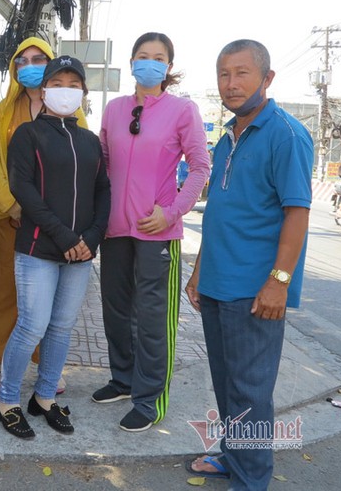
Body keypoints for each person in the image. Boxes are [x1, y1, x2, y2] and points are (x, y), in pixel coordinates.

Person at [185, 40, 313, 489]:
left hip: (256, 291)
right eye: (224, 74)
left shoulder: (286, 134)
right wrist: (199, 271)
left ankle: (251, 480)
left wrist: (278, 282)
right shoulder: (227, 138)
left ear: (267, 78)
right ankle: (233, 455)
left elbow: (297, 212)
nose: (231, 83)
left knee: (250, 391)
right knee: (226, 384)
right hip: (219, 285)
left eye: (242, 73)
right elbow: (220, 211)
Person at [96, 32, 210, 432]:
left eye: (158, 57)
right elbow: (104, 164)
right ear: (131, 63)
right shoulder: (114, 110)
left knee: (153, 318)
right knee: (115, 308)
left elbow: (200, 167)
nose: (150, 62)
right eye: (142, 56)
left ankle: (149, 399)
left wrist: (172, 212)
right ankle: (123, 379)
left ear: (169, 67)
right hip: (115, 231)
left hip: (157, 232)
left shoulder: (183, 110)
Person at [0, 56, 110, 438]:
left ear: (83, 93)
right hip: (39, 249)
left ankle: (44, 397)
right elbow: (23, 189)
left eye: (73, 83)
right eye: (57, 82)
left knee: (61, 327)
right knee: (32, 325)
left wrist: (90, 239)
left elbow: (102, 191)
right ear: (44, 91)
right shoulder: (28, 135)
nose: (65, 89)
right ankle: (6, 400)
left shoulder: (89, 140)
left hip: (80, 253)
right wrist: (65, 236)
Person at [0, 36, 88, 393]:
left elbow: (84, 165)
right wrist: (11, 204)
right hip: (11, 217)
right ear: (15, 69)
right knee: (5, 293)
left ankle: (48, 366)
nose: (30, 66)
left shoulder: (73, 111)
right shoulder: (4, 110)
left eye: (38, 60)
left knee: (53, 300)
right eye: (22, 61)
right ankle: (3, 362)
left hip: (55, 224)